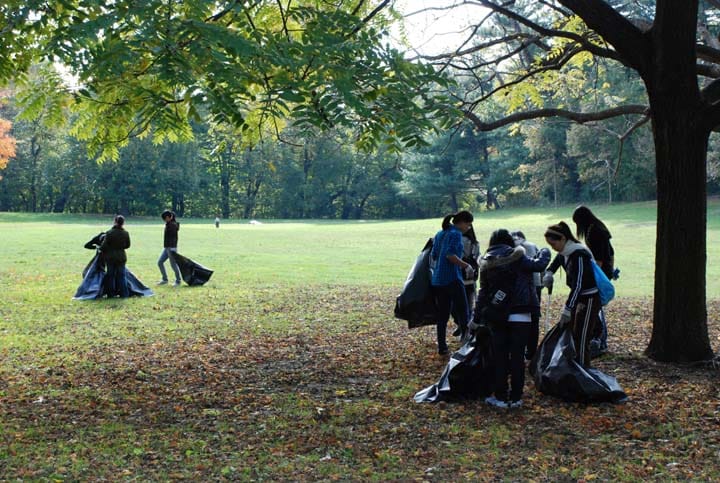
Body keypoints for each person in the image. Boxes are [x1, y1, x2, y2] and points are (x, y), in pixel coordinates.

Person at [471, 229, 550, 409]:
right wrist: (545, 250)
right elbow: (538, 265)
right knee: (517, 357)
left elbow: (482, 293)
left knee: (499, 357)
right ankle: (516, 398)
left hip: (497, 315)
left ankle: (500, 396)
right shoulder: (518, 255)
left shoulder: (485, 261)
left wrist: (475, 319)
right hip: (521, 313)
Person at [542, 221, 600, 368]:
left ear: (563, 239)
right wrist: (548, 274)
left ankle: (584, 372)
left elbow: (579, 285)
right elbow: (554, 265)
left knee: (582, 338)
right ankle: (575, 369)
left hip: (589, 299)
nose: (553, 248)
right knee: (574, 335)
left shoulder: (578, 254)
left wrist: (568, 309)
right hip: (578, 298)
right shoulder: (564, 253)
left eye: (553, 244)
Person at [430, 211, 476, 356]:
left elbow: (434, 255)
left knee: (442, 314)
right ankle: (466, 342)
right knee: (464, 311)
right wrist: (466, 266)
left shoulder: (440, 233)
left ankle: (442, 347)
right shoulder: (456, 234)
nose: (468, 228)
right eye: (468, 224)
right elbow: (450, 255)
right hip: (452, 278)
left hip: (438, 280)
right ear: (461, 222)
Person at [572, 205, 615, 355]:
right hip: (605, 271)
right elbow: (610, 252)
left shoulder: (593, 232)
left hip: (600, 272)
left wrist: (594, 276)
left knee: (595, 306)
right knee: (597, 307)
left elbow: (599, 258)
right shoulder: (599, 227)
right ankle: (600, 339)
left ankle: (599, 339)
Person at [511, 230, 544, 361]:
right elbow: (540, 264)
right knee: (534, 317)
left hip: (520, 285)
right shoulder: (532, 245)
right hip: (535, 283)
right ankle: (531, 351)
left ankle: (520, 348)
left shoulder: (512, 247)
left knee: (521, 315)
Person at [451, 225, 481, 338]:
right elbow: (477, 258)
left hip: (457, 277)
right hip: (471, 277)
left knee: (454, 306)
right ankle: (465, 330)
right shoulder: (475, 243)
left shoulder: (456, 240)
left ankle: (461, 325)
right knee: (468, 306)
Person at [99, 215, 131, 298]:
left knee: (111, 276)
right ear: (123, 223)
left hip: (110, 257)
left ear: (115, 222)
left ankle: (111, 294)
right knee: (122, 276)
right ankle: (124, 294)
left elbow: (104, 246)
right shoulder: (125, 233)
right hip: (121, 257)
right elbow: (128, 245)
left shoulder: (109, 233)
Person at [157, 210, 181, 286]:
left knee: (173, 265)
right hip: (167, 247)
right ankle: (165, 279)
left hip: (171, 248)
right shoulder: (169, 224)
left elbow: (173, 238)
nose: (164, 220)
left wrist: (171, 249)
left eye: (165, 219)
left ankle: (178, 280)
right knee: (160, 262)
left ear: (168, 217)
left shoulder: (172, 225)